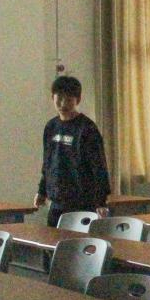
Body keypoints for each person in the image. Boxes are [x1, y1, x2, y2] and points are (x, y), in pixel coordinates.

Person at [34, 75, 110, 227]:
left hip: (82, 203)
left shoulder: (87, 128)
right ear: (52, 98)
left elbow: (99, 167)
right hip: (56, 202)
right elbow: (47, 163)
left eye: (69, 99)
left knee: (77, 241)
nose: (63, 104)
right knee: (53, 240)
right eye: (59, 99)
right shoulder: (51, 127)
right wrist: (42, 191)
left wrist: (101, 201)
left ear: (78, 100)